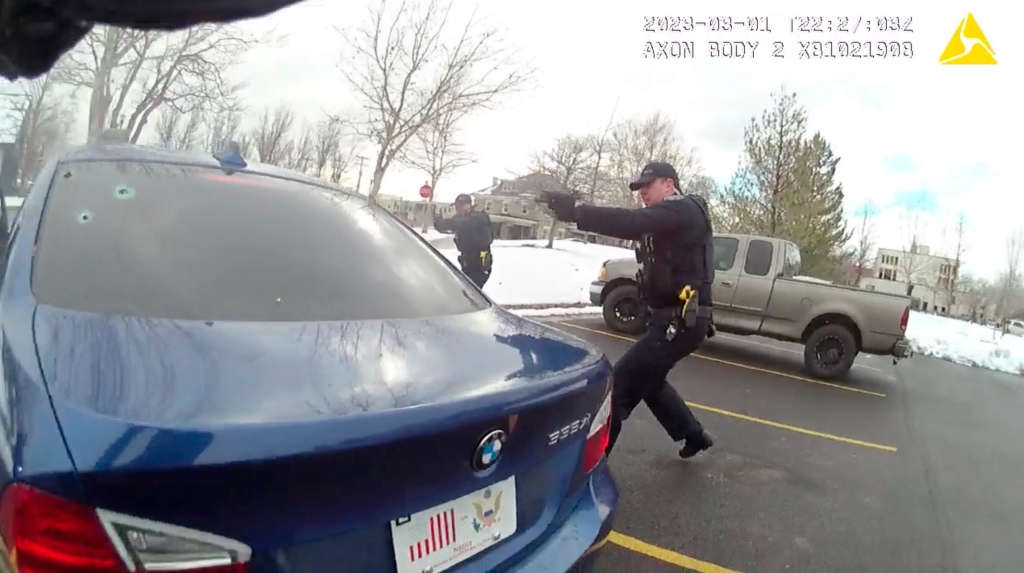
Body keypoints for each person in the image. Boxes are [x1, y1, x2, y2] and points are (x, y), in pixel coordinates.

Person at [538, 161, 715, 459]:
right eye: (639, 188)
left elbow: (630, 221)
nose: (642, 192)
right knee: (650, 381)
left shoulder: (683, 210)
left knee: (618, 390)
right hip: (671, 321)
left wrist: (578, 211)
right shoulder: (666, 221)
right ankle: (694, 435)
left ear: (669, 184)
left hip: (680, 323)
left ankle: (590, 471)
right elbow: (630, 225)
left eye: (649, 185)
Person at [434, 193, 494, 289]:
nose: (459, 208)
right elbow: (448, 226)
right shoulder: (461, 219)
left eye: (461, 205)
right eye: (457, 206)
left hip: (480, 264)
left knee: (472, 292)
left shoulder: (479, 217)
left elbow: (464, 223)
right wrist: (439, 222)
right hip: (467, 262)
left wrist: (448, 222)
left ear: (469, 205)